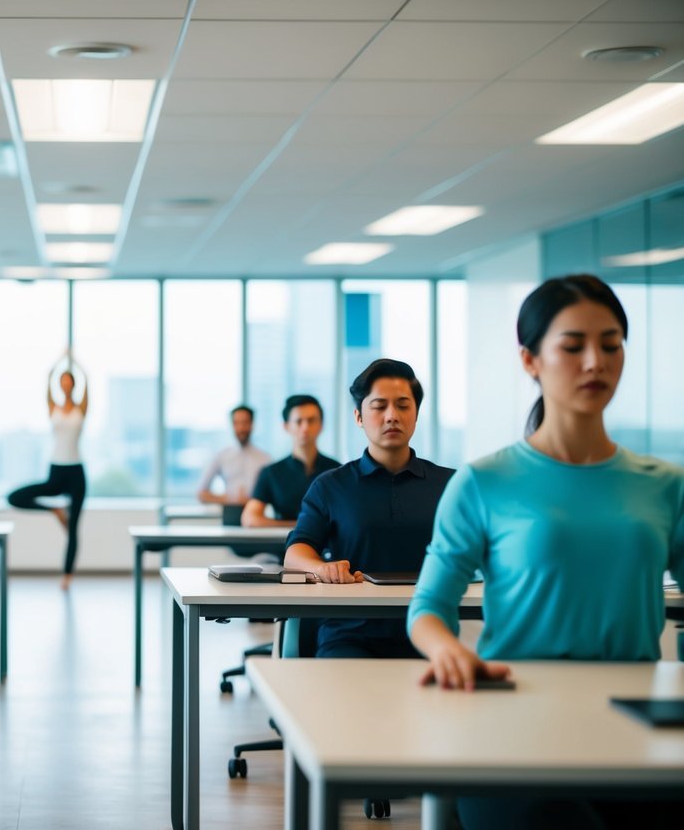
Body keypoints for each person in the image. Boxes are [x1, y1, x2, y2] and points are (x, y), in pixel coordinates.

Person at [408, 275, 684, 830]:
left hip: (636, 724)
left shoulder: (663, 484)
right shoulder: (484, 481)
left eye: (611, 345)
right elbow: (429, 608)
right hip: (515, 720)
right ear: (531, 360)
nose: (595, 362)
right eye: (573, 345)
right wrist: (446, 651)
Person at [283, 359, 455, 658]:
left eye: (403, 405)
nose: (392, 416)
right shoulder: (330, 486)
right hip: (349, 634)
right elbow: (296, 552)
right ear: (359, 417)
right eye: (379, 406)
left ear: (416, 414)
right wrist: (321, 568)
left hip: (429, 635)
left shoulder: (451, 484)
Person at [8, 353, 88, 590]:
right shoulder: (53, 406)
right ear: (59, 385)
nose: (65, 385)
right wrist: (60, 362)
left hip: (77, 472)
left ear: (73, 385)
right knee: (15, 497)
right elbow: (48, 378)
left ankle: (67, 575)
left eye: (69, 381)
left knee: (73, 528)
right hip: (56, 470)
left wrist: (76, 362)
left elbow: (87, 382)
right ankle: (55, 509)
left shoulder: (81, 408)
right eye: (62, 381)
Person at [242, 394, 340, 528]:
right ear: (286, 426)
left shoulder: (337, 471)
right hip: (282, 545)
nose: (305, 427)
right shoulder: (271, 473)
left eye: (311, 420)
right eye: (299, 421)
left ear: (321, 425)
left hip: (326, 547)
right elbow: (250, 519)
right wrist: (301, 526)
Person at [196, 405, 271, 508]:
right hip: (228, 512)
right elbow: (201, 494)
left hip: (256, 514)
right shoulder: (221, 456)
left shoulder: (265, 459)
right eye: (236, 423)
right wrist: (230, 499)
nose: (241, 428)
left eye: (245, 422)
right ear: (232, 425)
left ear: (252, 424)